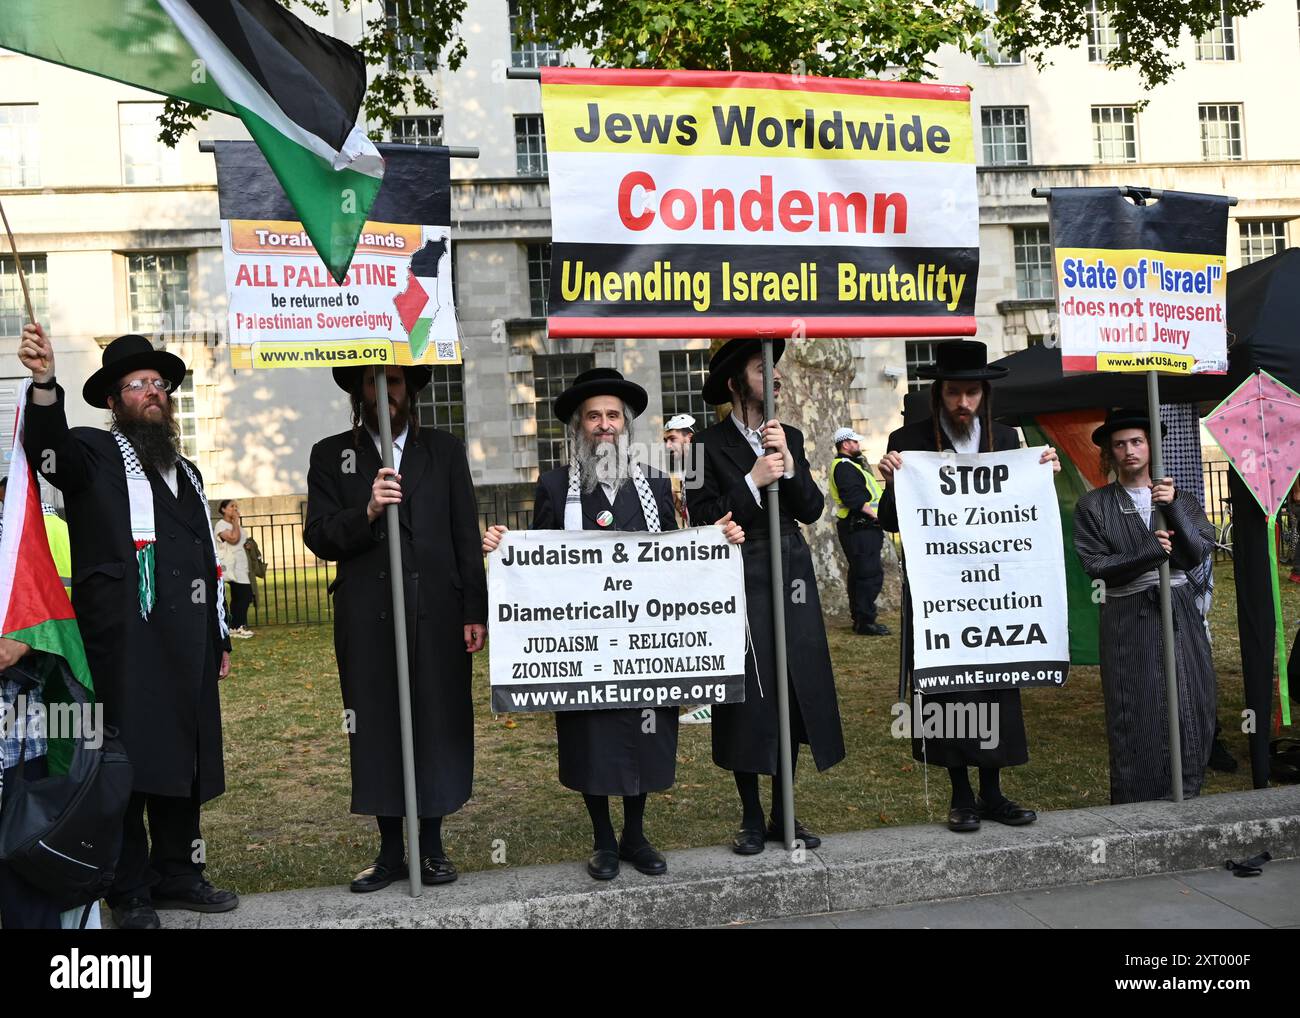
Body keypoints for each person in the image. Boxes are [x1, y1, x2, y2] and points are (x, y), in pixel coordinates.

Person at [483, 368, 742, 880]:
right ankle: (603, 839)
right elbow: (540, 562)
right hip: (584, 645)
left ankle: (636, 835)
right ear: (579, 426)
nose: (604, 425)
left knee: (645, 734)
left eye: (613, 416)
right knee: (591, 737)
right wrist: (502, 549)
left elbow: (675, 555)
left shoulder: (652, 484)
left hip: (642, 642)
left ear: (626, 425)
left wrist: (714, 538)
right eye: (594, 416)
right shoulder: (556, 486)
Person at [17, 322, 235, 930]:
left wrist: (217, 634)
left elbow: (202, 559)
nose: (152, 392)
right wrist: (43, 385)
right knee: (129, 763)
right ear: (113, 401)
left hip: (187, 642)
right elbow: (48, 454)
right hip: (124, 643)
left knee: (183, 761)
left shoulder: (186, 471)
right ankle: (129, 891)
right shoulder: (91, 452)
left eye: (159, 383)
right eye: (136, 384)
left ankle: (180, 874)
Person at [305, 363, 487, 892]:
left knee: (435, 717)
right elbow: (318, 534)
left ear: (411, 390)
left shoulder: (444, 451)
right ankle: (389, 852)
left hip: (437, 611)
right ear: (358, 392)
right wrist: (364, 511)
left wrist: (473, 609)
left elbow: (463, 532)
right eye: (372, 382)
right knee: (378, 722)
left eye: (395, 382)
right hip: (368, 614)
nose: (384, 392)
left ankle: (430, 848)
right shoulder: (331, 454)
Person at [877, 340, 1058, 834]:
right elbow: (891, 521)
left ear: (985, 394)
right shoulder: (908, 439)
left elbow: (1028, 511)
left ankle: (993, 791)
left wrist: (1043, 477)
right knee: (947, 686)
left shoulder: (1006, 438)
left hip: (996, 589)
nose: (963, 403)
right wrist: (890, 480)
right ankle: (960, 795)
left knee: (997, 684)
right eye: (954, 392)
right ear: (939, 393)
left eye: (972, 393)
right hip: (940, 590)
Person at [686, 339, 844, 854]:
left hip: (790, 572)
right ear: (735, 384)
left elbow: (813, 508)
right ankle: (751, 815)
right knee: (750, 696)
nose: (774, 376)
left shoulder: (790, 435)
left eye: (774, 368)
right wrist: (752, 482)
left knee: (792, 690)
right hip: (737, 576)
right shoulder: (698, 449)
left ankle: (785, 812)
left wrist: (789, 463)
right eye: (761, 369)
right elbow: (703, 517)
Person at [1073, 408, 1219, 804]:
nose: (1129, 450)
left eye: (1137, 441)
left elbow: (1195, 554)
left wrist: (1171, 509)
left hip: (1179, 611)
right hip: (1128, 617)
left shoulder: (1180, 498)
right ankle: (1138, 803)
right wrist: (1146, 552)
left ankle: (1187, 790)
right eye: (1119, 444)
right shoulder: (1094, 505)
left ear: (1151, 446)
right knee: (1137, 707)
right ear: (1110, 452)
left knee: (1191, 698)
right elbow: (1098, 567)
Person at [829, 426, 888, 637]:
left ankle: (861, 619)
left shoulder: (851, 465)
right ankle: (866, 622)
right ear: (845, 444)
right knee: (868, 575)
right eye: (855, 442)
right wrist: (878, 516)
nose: (858, 445)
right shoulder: (845, 467)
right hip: (861, 526)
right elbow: (855, 499)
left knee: (859, 574)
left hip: (860, 527)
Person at [215, 499, 254, 638]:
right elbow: (233, 539)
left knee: (239, 596)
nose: (235, 509)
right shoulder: (221, 525)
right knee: (245, 595)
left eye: (236, 506)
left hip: (241, 565)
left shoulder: (234, 525)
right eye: (232, 506)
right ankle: (238, 625)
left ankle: (234, 626)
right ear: (223, 509)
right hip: (232, 566)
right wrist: (236, 522)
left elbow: (240, 541)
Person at [662, 413, 696, 528]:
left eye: (672, 439)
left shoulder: (704, 466)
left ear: (689, 438)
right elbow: (690, 513)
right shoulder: (687, 468)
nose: (668, 446)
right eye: (666, 440)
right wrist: (674, 500)